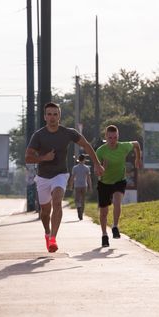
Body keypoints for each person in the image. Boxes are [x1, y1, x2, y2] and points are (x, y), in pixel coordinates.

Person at [25, 102, 104, 253]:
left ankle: (53, 238)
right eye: (49, 114)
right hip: (42, 177)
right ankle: (47, 233)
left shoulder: (68, 133)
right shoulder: (39, 135)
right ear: (44, 117)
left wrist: (97, 164)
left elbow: (86, 145)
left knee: (57, 202)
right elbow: (28, 158)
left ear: (59, 116)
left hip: (61, 174)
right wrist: (44, 158)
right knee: (45, 212)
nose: (52, 117)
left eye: (55, 114)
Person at [96, 124, 141, 247]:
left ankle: (115, 226)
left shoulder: (123, 146)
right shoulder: (100, 151)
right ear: (106, 137)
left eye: (115, 137)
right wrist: (102, 168)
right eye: (110, 138)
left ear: (118, 137)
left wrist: (138, 159)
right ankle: (104, 235)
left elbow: (136, 144)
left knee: (117, 201)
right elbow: (96, 172)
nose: (112, 140)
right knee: (104, 211)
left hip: (119, 181)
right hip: (104, 183)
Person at [69, 154, 92, 220]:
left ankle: (79, 208)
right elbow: (88, 178)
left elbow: (72, 177)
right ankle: (81, 213)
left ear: (79, 159)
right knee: (83, 200)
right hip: (84, 185)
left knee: (77, 199)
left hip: (77, 185)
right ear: (84, 160)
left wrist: (70, 185)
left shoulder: (75, 168)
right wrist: (90, 187)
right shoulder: (86, 168)